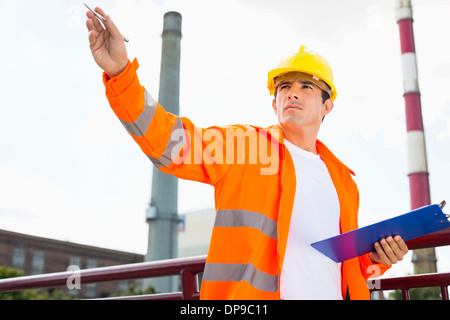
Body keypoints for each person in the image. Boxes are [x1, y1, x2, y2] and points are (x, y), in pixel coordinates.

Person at [86, 7, 408, 300]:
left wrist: (376, 260)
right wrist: (121, 74)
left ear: (327, 105)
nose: (292, 91)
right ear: (274, 103)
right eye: (284, 86)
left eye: (306, 86)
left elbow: (340, 266)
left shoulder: (344, 182)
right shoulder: (245, 147)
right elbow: (169, 142)